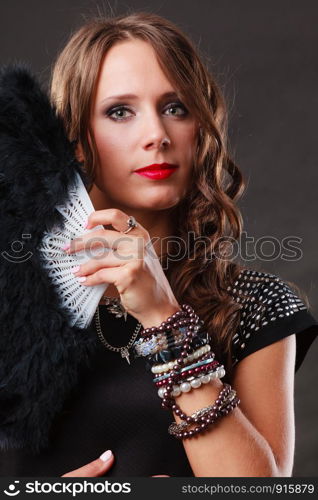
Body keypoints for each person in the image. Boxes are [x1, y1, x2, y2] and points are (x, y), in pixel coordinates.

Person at [1, 11, 317, 478]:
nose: (157, 136)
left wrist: (164, 317)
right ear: (75, 140)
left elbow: (259, 490)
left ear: (201, 132)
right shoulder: (12, 296)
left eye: (176, 108)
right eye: (119, 111)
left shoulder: (256, 306)